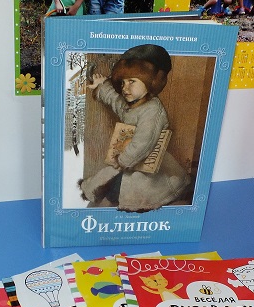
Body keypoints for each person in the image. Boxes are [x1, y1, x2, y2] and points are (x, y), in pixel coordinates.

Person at [78, 44, 191, 213]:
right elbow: (116, 101)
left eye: (132, 81)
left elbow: (144, 142)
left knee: (135, 190)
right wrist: (102, 86)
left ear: (151, 81)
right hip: (128, 157)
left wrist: (123, 160)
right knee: (110, 180)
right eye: (123, 82)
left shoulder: (153, 111)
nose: (125, 88)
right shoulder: (133, 104)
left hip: (146, 163)